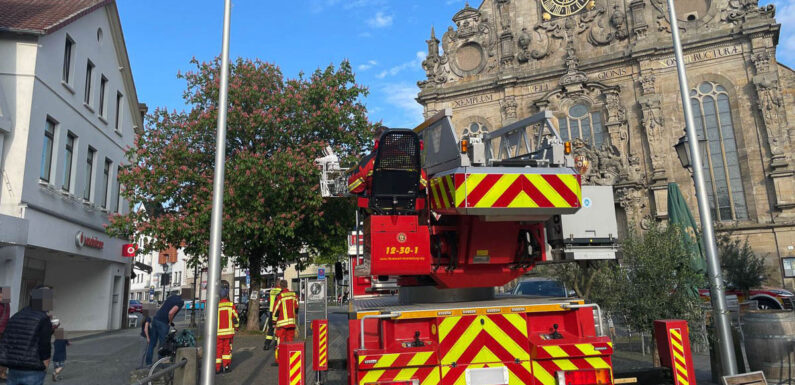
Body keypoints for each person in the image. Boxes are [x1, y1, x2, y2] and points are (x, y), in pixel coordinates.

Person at [0, 286, 54, 385]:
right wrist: (45, 364)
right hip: (32, 369)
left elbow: (9, 340)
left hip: (13, 368)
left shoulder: (17, 315)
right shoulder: (43, 318)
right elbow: (44, 344)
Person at [145, 294, 183, 366]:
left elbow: (162, 306)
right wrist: (170, 322)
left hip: (156, 319)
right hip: (163, 323)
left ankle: (148, 363)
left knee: (152, 343)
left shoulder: (172, 296)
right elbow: (171, 312)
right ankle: (161, 363)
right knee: (163, 344)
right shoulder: (180, 302)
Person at [271, 280, 298, 364]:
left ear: (281, 286)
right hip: (292, 323)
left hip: (282, 324)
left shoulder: (280, 296)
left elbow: (276, 310)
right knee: (290, 341)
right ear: (287, 285)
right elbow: (297, 307)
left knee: (280, 342)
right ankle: (290, 358)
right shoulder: (293, 295)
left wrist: (274, 322)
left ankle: (280, 360)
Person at [215, 283, 239, 374]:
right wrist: (236, 327)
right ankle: (226, 366)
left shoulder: (216, 306)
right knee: (227, 350)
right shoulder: (230, 305)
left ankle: (217, 368)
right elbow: (235, 318)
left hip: (218, 333)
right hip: (228, 333)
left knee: (218, 350)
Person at [262, 284, 282, 351]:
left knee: (270, 328)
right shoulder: (281, 291)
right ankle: (276, 345)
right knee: (277, 328)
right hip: (277, 312)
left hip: (271, 311)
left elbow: (269, 301)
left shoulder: (272, 291)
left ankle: (266, 345)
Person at [0, 287, 10, 380]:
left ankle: (2, 373)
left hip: (4, 332)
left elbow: (6, 317)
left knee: (4, 353)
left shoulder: (6, 304)